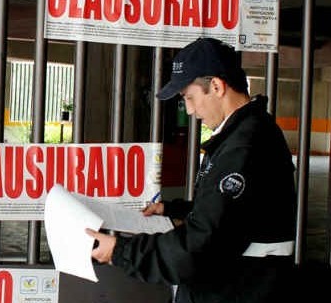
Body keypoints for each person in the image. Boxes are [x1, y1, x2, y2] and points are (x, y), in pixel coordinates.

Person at [88, 37, 297, 303]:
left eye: (189, 97)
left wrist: (121, 252)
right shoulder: (240, 135)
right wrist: (174, 210)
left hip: (238, 290)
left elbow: (202, 243)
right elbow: (232, 214)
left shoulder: (245, 146)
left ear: (216, 86)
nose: (189, 110)